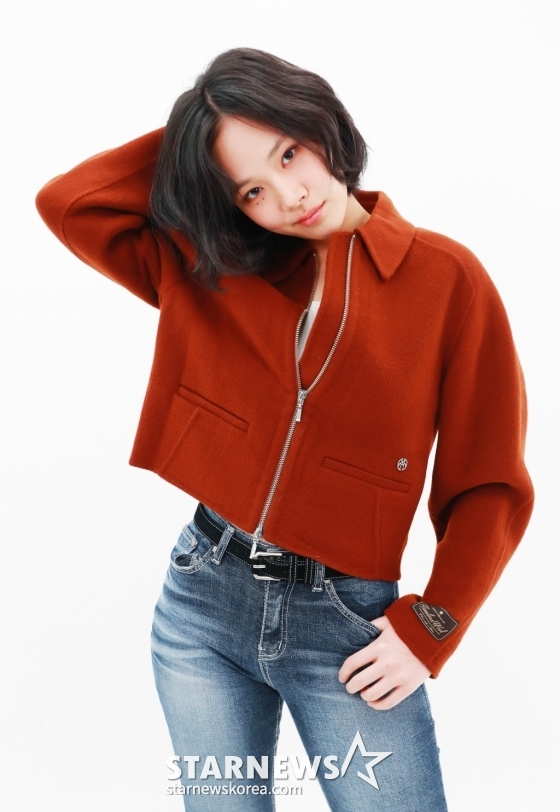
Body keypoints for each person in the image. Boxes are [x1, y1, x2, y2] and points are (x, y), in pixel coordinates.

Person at [35, 48, 533, 811]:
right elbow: (71, 203)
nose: (289, 195)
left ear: (319, 122)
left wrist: (432, 627)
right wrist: (200, 139)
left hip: (348, 627)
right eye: (252, 189)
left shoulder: (447, 281)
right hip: (202, 605)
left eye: (290, 152)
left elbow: (489, 484)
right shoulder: (216, 263)